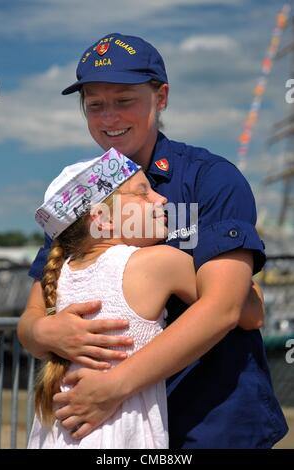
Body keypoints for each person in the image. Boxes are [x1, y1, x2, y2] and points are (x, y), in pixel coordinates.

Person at [18, 33, 288, 448]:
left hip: (212, 423)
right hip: (106, 424)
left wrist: (114, 387)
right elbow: (33, 317)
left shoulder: (210, 179)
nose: (109, 117)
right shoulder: (80, 194)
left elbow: (225, 309)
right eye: (95, 105)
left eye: (124, 100)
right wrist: (47, 335)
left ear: (160, 97)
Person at [27, 148, 264, 449]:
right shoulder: (158, 262)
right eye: (143, 193)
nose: (161, 199)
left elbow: (29, 326)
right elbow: (249, 313)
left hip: (61, 431)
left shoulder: (60, 273)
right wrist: (249, 285)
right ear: (102, 218)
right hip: (120, 435)